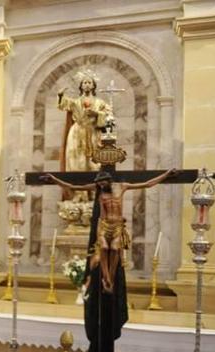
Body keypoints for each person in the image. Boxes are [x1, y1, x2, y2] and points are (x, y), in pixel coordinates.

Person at [42, 168, 176, 293]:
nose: (100, 185)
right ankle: (106, 277)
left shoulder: (121, 187)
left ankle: (110, 278)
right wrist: (55, 180)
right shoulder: (98, 189)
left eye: (102, 182)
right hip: (104, 225)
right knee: (105, 248)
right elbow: (73, 187)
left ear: (109, 181)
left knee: (115, 248)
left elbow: (147, 184)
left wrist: (165, 175)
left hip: (117, 225)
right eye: (98, 183)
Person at [57, 73, 114, 201]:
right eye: (84, 82)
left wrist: (96, 113)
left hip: (93, 132)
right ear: (81, 86)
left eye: (89, 82)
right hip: (77, 132)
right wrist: (61, 95)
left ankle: (94, 192)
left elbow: (109, 116)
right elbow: (62, 105)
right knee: (76, 162)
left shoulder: (100, 102)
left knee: (93, 163)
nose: (87, 85)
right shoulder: (75, 102)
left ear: (93, 85)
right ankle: (78, 193)